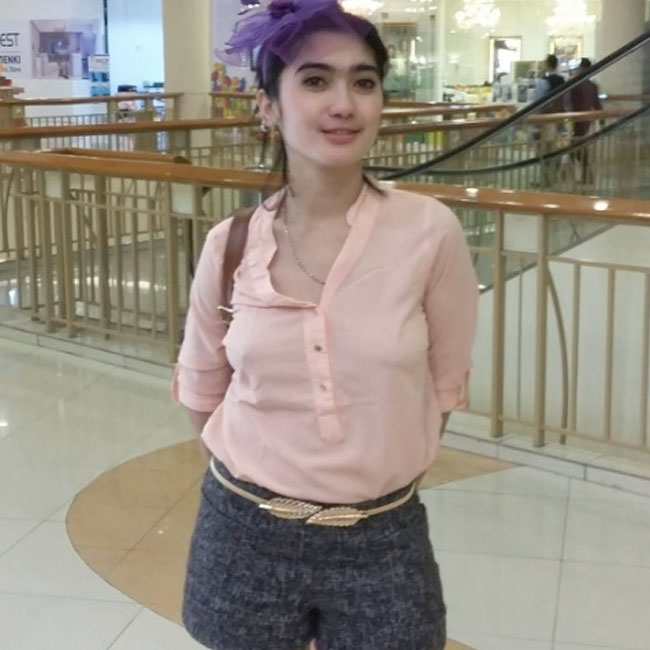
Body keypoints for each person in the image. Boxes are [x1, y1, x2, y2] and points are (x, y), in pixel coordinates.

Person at [173, 1, 478, 649]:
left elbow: (443, 386)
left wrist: (372, 475)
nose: (344, 104)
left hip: (383, 537)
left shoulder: (429, 232)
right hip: (244, 532)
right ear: (268, 106)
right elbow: (201, 388)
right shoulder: (230, 244)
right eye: (314, 80)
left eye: (363, 82)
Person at [533, 54, 567, 186]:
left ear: (547, 64)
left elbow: (539, 102)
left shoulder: (543, 81)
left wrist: (536, 120)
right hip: (560, 118)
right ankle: (555, 177)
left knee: (544, 149)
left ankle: (544, 179)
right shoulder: (562, 80)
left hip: (546, 118)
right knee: (557, 148)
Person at [569, 58, 602, 184]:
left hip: (577, 120)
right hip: (587, 120)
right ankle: (586, 176)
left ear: (581, 68)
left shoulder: (575, 85)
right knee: (579, 147)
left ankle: (587, 176)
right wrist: (602, 118)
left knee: (575, 148)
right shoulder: (593, 86)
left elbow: (572, 104)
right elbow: (596, 104)